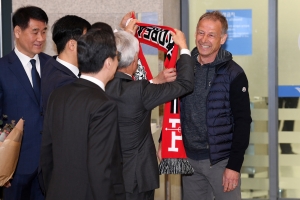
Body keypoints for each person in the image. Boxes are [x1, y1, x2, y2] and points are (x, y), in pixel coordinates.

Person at [105, 30, 194, 200]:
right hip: (137, 176)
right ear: (134, 61)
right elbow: (185, 84)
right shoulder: (140, 91)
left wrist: (155, 81)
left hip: (107, 173)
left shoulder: (100, 86)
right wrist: (183, 47)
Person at [39, 29, 125, 200]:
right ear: (108, 62)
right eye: (117, 57)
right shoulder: (103, 105)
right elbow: (100, 168)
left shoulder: (58, 95)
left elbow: (46, 156)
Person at [178, 11, 252, 200]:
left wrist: (234, 166)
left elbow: (243, 122)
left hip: (221, 161)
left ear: (222, 38)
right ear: (195, 34)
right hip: (190, 160)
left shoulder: (234, 74)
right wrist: (165, 140)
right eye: (201, 33)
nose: (204, 39)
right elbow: (175, 108)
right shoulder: (184, 68)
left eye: (211, 35)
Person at [0, 6, 50, 200]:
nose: (41, 38)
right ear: (18, 32)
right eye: (35, 32)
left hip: (48, 166)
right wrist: (2, 164)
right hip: (15, 167)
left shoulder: (52, 66)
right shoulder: (3, 68)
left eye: (44, 31)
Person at [41, 15, 91, 113]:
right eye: (88, 41)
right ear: (72, 45)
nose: (91, 46)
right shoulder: (65, 83)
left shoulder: (50, 65)